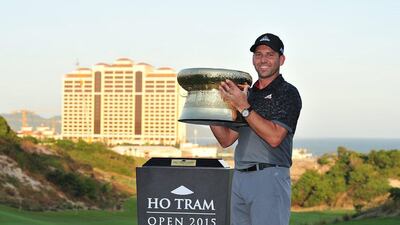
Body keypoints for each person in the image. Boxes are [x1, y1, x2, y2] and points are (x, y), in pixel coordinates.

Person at [210, 33, 302, 225]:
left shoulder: (287, 93)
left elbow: (275, 137)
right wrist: (212, 108)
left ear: (281, 59)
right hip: (240, 176)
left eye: (270, 54)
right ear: (253, 59)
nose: (263, 59)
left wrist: (243, 106)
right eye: (258, 54)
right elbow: (226, 139)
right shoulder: (248, 93)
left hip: (269, 177)